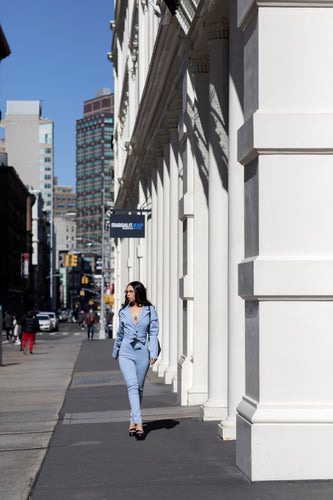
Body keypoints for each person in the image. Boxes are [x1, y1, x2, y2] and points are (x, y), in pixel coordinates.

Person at [112, 281, 159, 440]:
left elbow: (153, 334)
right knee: (132, 385)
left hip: (142, 353)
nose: (127, 294)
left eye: (130, 291)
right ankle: (139, 423)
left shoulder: (150, 311)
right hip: (126, 352)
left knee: (138, 388)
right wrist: (116, 350)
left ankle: (132, 421)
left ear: (138, 292)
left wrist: (153, 352)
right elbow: (119, 333)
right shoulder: (123, 311)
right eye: (126, 292)